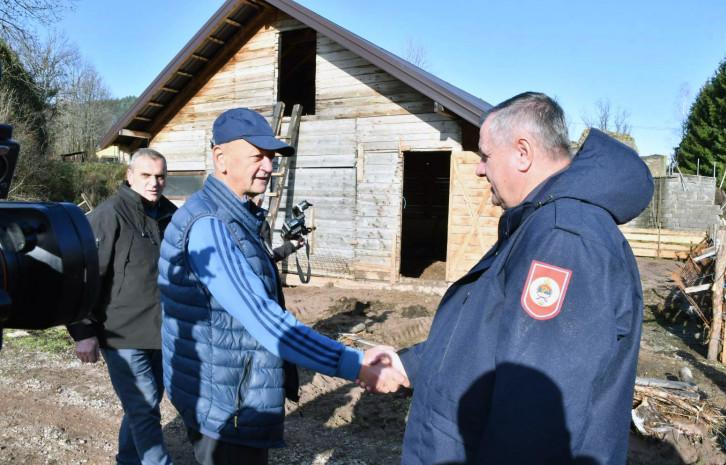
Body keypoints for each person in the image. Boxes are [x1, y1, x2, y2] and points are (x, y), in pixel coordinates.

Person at [386, 92, 654, 464]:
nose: (480, 169)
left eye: (485, 156)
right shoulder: (540, 226)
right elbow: (486, 336)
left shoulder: (564, 239)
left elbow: (535, 411)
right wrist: (409, 365)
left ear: (523, 153)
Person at [158, 107, 406, 465]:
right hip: (229, 405)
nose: (269, 167)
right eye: (258, 156)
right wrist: (353, 363)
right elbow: (263, 320)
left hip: (227, 391)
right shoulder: (210, 224)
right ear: (221, 158)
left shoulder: (232, 215)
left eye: (271, 157)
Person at [67, 148, 177, 465]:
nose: (154, 182)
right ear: (129, 176)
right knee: (143, 406)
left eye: (160, 176)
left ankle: (128, 460)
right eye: (146, 175)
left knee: (146, 404)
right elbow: (83, 275)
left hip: (162, 331)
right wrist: (83, 331)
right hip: (120, 334)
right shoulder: (109, 214)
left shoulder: (171, 215)